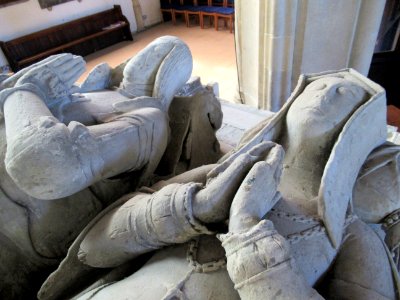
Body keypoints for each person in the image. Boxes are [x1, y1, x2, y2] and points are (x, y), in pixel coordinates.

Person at [39, 69, 399, 299]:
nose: (324, 94)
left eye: (343, 94)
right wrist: (196, 206)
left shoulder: (353, 237)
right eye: (318, 86)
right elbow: (92, 249)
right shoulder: (219, 171)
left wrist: (248, 234)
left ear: (358, 125)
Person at [0, 36, 222, 299]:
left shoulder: (150, 120)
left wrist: (25, 88)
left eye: (154, 56)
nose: (136, 58)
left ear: (162, 75)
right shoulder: (96, 93)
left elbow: (45, 162)